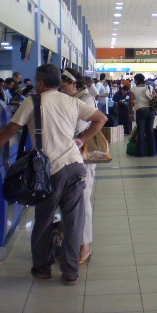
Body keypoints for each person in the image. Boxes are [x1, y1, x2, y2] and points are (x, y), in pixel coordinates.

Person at [0, 64, 107, 285]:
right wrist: (81, 138)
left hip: (50, 170)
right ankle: (70, 272)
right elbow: (101, 118)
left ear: (41, 83)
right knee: (74, 222)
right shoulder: (72, 101)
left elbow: (11, 129)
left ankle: (42, 268)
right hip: (75, 167)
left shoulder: (33, 101)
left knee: (44, 221)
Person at [59, 67, 97, 266]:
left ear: (74, 84)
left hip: (82, 159)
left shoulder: (85, 101)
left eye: (64, 87)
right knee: (74, 202)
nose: (62, 90)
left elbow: (79, 130)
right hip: (71, 159)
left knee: (83, 200)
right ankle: (74, 242)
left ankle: (85, 246)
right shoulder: (75, 98)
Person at [129, 73, 157, 157]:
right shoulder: (150, 87)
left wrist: (130, 112)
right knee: (150, 131)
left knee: (141, 131)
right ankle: (152, 152)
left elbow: (131, 102)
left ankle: (140, 153)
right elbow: (155, 97)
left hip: (140, 111)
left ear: (137, 80)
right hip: (150, 111)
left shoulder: (133, 89)